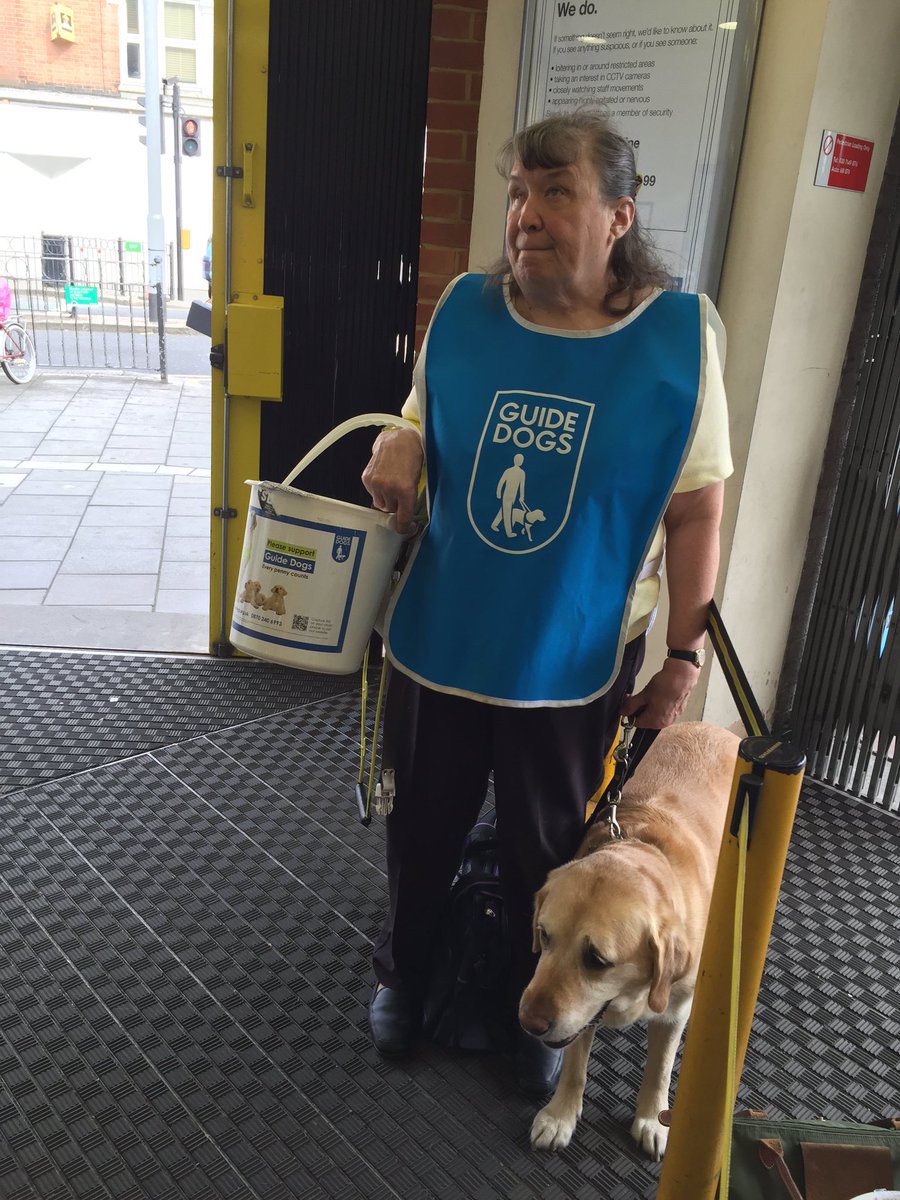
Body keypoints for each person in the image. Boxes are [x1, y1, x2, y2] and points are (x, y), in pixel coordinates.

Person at [360, 110, 732, 1096]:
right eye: (518, 191)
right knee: (422, 824)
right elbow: (422, 415)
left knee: (549, 841)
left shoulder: (677, 344)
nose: (525, 213)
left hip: (575, 654)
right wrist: (401, 438)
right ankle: (403, 965)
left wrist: (685, 659)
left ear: (619, 214)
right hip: (447, 636)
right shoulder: (469, 312)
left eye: (555, 191)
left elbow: (697, 513)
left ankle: (543, 1005)